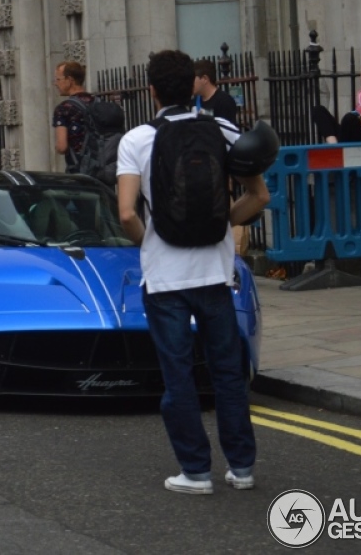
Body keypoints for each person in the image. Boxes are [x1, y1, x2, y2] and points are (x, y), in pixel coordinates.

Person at [116, 49, 270, 495]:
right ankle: (242, 468)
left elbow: (127, 213)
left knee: (178, 374)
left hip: (165, 279)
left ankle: (196, 472)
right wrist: (223, 222)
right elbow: (258, 197)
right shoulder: (223, 129)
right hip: (216, 273)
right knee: (227, 372)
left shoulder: (137, 140)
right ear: (194, 86)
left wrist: (152, 240)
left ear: (151, 90)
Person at [52, 61, 95, 173]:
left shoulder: (64, 108)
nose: (55, 83)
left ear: (70, 80)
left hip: (79, 169)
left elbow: (62, 146)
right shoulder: (98, 102)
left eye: (58, 79)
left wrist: (57, 147)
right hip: (101, 169)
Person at [193, 59, 240, 125]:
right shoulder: (193, 102)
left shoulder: (224, 101)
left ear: (204, 79)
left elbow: (229, 132)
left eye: (192, 79)